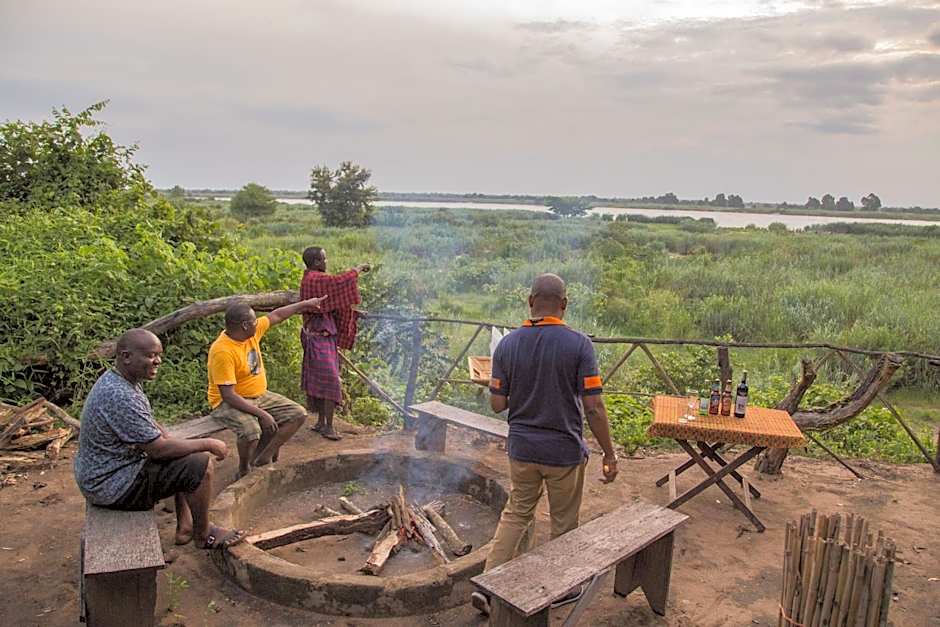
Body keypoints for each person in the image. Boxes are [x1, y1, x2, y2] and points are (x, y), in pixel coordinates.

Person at [471, 273, 619, 616]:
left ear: (530, 301)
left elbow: (497, 404)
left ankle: (487, 585)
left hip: (522, 449)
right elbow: (594, 406)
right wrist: (609, 453)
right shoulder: (579, 344)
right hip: (563, 452)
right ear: (564, 305)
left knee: (516, 513)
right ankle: (561, 590)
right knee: (564, 522)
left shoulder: (507, 345)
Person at [74, 329, 244, 549]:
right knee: (201, 465)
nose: (158, 361)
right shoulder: (119, 395)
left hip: (107, 471)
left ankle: (185, 525)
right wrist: (208, 443)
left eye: (158, 355)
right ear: (126, 357)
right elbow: (158, 450)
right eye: (151, 355)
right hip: (111, 485)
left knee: (185, 455)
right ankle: (203, 534)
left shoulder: (121, 381)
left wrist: (176, 442)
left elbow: (150, 424)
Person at [207, 296, 327, 476]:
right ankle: (244, 468)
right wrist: (262, 414)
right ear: (244, 325)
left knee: (297, 414)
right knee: (250, 431)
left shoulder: (251, 332)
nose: (258, 323)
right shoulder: (222, 351)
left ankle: (263, 457)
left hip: (259, 395)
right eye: (254, 320)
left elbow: (277, 315)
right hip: (228, 403)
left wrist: (304, 304)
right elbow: (228, 395)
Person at [299, 246, 370, 440]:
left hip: (323, 336)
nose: (326, 262)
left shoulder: (315, 280)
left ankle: (322, 422)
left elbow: (329, 306)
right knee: (330, 380)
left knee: (323, 381)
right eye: (324, 259)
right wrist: (358, 269)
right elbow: (339, 282)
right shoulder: (314, 279)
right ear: (316, 263)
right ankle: (328, 426)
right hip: (318, 338)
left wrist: (355, 314)